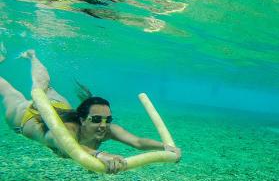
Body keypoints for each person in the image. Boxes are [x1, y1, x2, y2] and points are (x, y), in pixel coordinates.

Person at [0, 46, 181, 173]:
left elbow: (138, 142)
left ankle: (32, 55)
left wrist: (165, 147)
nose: (103, 125)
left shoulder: (106, 129)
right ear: (82, 119)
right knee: (17, 90)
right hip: (27, 117)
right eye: (96, 119)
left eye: (107, 119)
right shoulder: (65, 131)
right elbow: (68, 146)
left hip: (59, 108)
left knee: (47, 86)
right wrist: (101, 155)